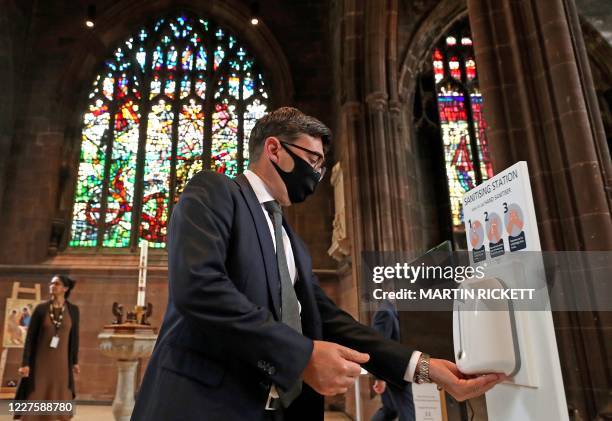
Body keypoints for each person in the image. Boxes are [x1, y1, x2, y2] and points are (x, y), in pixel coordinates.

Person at [131, 107, 505, 421]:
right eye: (312, 161)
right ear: (274, 149)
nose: (317, 175)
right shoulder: (215, 192)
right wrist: (300, 355)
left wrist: (425, 367)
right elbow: (200, 288)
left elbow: (329, 322)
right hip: (201, 404)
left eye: (322, 167)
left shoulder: (293, 242)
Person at [16, 275, 80, 421]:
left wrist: (75, 362)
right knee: (37, 393)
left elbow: (74, 337)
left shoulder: (73, 310)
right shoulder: (41, 309)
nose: (52, 286)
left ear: (65, 288)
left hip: (62, 363)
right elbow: (30, 339)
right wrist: (25, 363)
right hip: (40, 362)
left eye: (56, 283)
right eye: (51, 283)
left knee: (59, 394)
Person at [371, 300, 415, 421]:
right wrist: (380, 378)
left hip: (397, 370)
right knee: (408, 414)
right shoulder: (385, 312)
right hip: (393, 373)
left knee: (390, 410)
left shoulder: (394, 311)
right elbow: (378, 345)